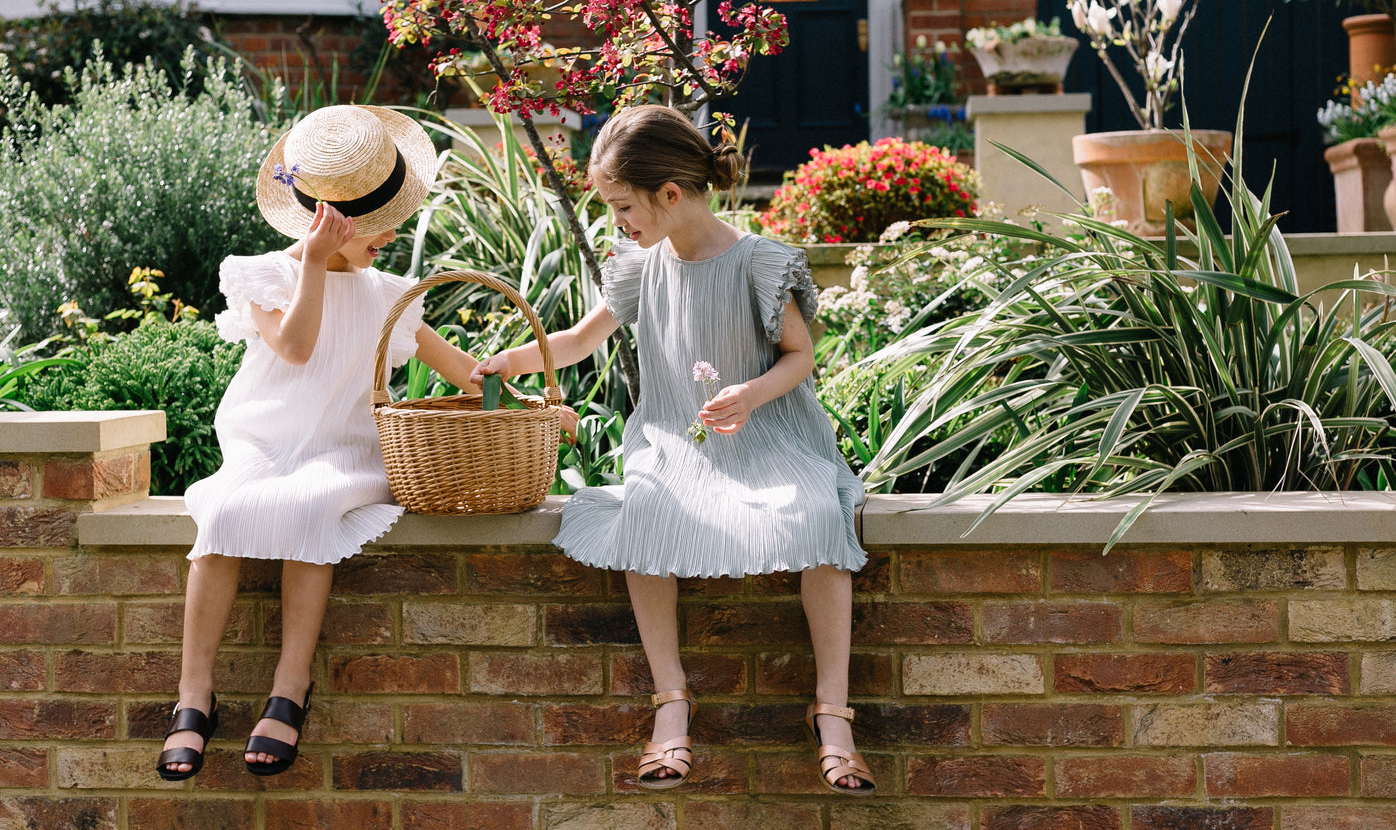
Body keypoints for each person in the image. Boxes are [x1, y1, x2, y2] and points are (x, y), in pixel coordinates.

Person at [471, 104, 875, 796]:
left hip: (768, 436)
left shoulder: (759, 262)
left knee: (817, 518)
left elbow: (799, 357)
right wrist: (513, 359)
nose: (616, 222)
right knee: (646, 511)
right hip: (674, 439)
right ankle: (672, 700)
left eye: (623, 205)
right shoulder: (639, 266)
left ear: (669, 193)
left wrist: (750, 396)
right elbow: (578, 341)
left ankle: (832, 711)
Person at [156, 104, 489, 781]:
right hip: (263, 443)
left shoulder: (390, 295)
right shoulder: (265, 276)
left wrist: (539, 391)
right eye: (373, 225)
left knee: (313, 509)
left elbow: (471, 375)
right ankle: (194, 694)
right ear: (322, 223)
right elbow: (298, 347)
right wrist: (310, 262)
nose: (391, 235)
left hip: (345, 452)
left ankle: (290, 684)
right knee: (221, 516)